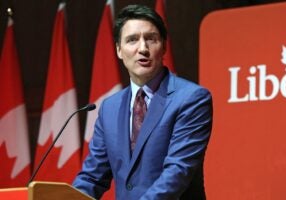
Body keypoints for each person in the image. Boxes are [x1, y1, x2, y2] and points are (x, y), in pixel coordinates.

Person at [73, 4, 213, 200]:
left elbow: (177, 172)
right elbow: (91, 178)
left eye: (151, 39)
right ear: (119, 50)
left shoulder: (191, 98)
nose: (143, 48)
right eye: (132, 40)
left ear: (164, 46)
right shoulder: (109, 108)